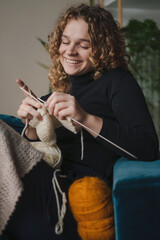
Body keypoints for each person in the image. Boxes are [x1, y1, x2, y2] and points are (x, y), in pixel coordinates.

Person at [1, 3, 159, 240]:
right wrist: (31, 126)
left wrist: (85, 118)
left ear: (103, 49)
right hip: (42, 180)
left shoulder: (117, 82)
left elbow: (149, 147)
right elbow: (44, 143)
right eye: (65, 41)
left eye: (84, 45)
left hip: (72, 192)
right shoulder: (60, 89)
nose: (70, 51)